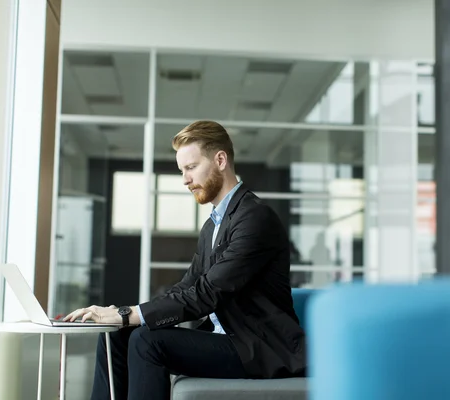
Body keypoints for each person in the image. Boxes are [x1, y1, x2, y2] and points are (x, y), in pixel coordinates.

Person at [64, 120, 307, 400]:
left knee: (147, 341)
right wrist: (124, 315)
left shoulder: (254, 217)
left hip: (258, 347)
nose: (185, 179)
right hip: (227, 338)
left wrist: (127, 314)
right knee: (117, 335)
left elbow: (208, 292)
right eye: (182, 171)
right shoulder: (213, 226)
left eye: (191, 168)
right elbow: (188, 286)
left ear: (220, 160)